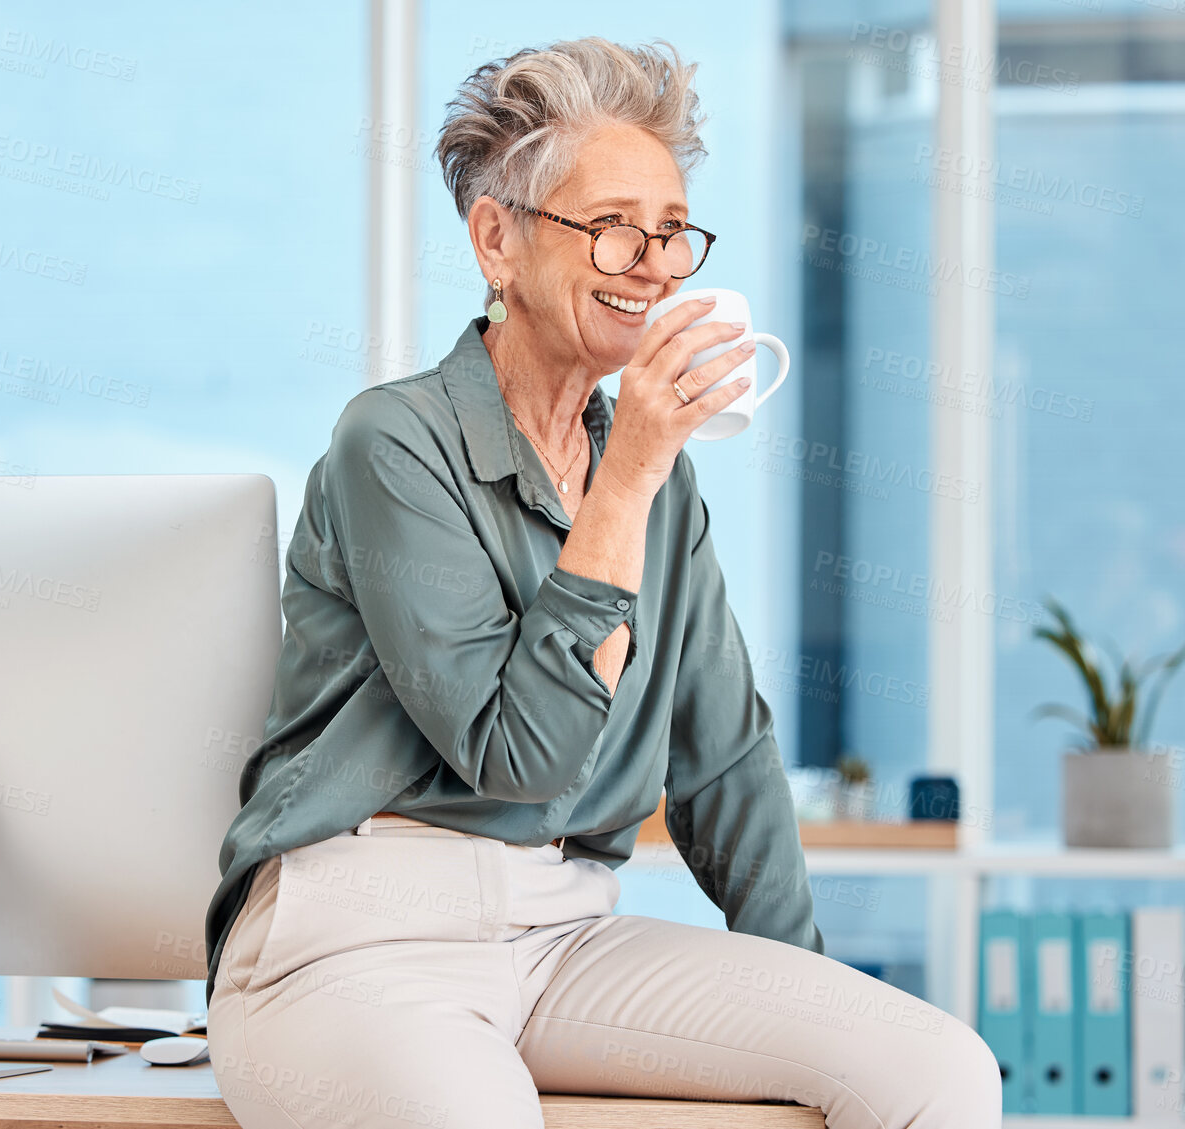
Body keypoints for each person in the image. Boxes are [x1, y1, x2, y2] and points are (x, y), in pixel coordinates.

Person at [202, 35, 1002, 1129]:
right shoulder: (394, 443)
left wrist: (805, 997)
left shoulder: (656, 488)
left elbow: (725, 762)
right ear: (498, 240)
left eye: (672, 232)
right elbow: (519, 757)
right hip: (352, 936)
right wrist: (626, 477)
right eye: (616, 226)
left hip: (565, 934)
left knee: (934, 1069)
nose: (659, 265)